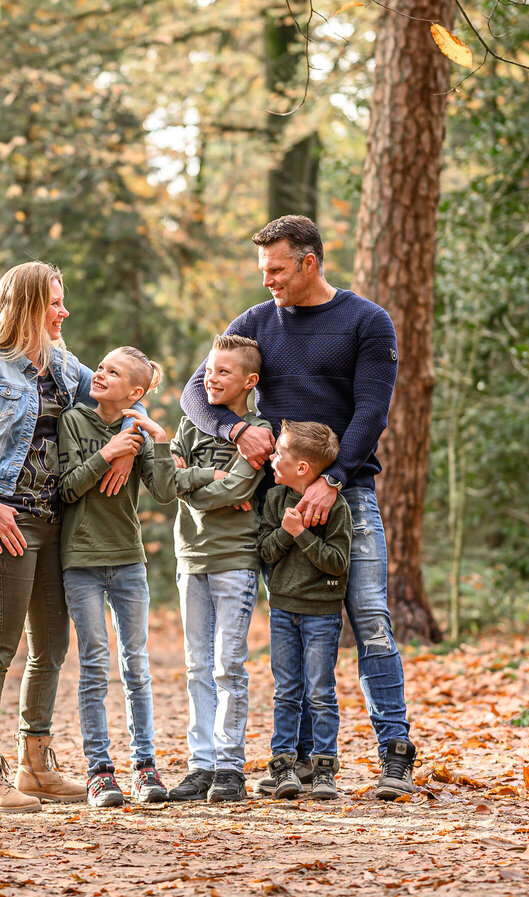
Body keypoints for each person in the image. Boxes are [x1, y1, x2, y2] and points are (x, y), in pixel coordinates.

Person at [180, 214, 419, 801]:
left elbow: (371, 412)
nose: (268, 281)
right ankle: (306, 763)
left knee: (369, 623)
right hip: (278, 504)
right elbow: (195, 391)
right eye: (264, 270)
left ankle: (395, 753)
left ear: (309, 262)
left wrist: (334, 479)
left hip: (349, 497)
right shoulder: (257, 323)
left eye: (277, 270)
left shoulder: (368, 322)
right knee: (297, 622)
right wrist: (235, 430)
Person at [0, 261, 134, 815]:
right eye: (53, 302)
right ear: (25, 305)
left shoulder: (64, 365)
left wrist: (132, 434)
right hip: (2, 520)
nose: (63, 312)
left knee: (51, 647)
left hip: (56, 522)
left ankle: (36, 766)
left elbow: (119, 393)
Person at [56, 346, 176, 807]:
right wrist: (108, 453)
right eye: (101, 367)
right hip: (81, 560)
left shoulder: (140, 432)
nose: (100, 374)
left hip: (128, 560)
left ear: (136, 392)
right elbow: (65, 488)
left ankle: (145, 767)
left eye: (114, 372)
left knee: (136, 666)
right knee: (94, 666)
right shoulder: (73, 420)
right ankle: (99, 771)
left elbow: (164, 493)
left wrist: (157, 440)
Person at [166, 334, 268, 805]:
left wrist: (199, 482)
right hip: (191, 558)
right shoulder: (190, 426)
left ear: (249, 382)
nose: (211, 377)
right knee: (196, 667)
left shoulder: (259, 431)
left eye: (223, 372)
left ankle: (229, 768)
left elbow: (232, 490)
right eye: (208, 369)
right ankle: (200, 766)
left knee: (229, 667)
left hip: (235, 562)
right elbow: (171, 484)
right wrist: (212, 478)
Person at [258, 421, 353, 802]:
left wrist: (301, 534)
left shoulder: (337, 508)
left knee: (320, 692)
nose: (272, 456)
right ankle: (283, 766)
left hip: (322, 615)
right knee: (287, 691)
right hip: (282, 610)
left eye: (279, 453)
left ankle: (324, 768)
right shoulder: (275, 500)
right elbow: (265, 551)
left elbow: (337, 563)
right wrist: (286, 530)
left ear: (302, 468)